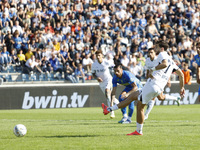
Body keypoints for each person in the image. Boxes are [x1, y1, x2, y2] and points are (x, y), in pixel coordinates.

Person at [102, 41, 185, 135]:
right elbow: (181, 75)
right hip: (158, 87)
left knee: (140, 107)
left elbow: (164, 64)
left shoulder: (162, 54)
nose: (155, 48)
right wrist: (182, 88)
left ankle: (138, 131)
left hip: (153, 84)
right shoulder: (172, 62)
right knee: (133, 96)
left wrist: (152, 70)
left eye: (157, 47)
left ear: (162, 48)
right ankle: (109, 109)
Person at [144, 48, 180, 121]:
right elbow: (148, 71)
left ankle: (146, 115)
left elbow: (166, 70)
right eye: (149, 53)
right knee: (160, 98)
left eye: (151, 52)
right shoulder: (147, 61)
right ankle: (176, 98)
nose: (150, 54)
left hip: (159, 81)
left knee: (154, 97)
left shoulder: (159, 59)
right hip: (151, 80)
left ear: (155, 53)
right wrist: (148, 76)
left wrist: (168, 80)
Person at [92, 50, 118, 119]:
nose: (98, 57)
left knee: (107, 92)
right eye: (97, 55)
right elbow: (93, 73)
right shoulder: (94, 65)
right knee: (110, 97)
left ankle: (112, 112)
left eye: (99, 55)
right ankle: (121, 105)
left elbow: (114, 66)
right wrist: (97, 78)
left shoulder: (106, 62)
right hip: (101, 83)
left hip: (108, 80)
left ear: (102, 56)